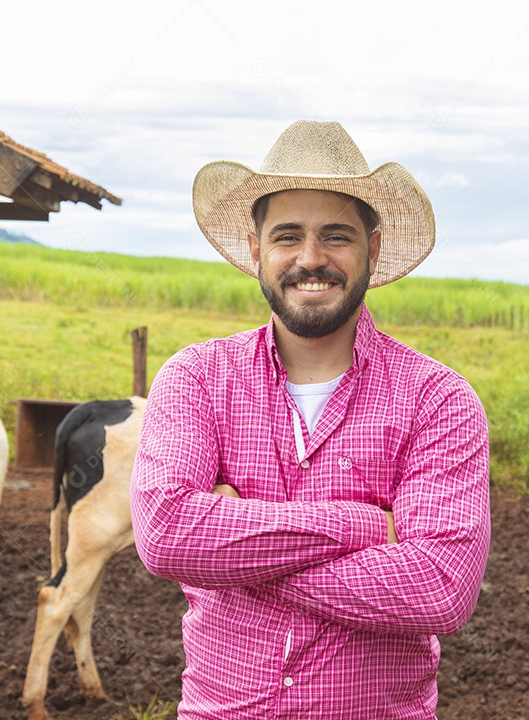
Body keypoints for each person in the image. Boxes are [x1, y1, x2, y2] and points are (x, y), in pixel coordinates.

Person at [130, 120, 490, 720]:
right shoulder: (196, 378)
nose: (311, 259)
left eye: (336, 236)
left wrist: (236, 555)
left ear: (373, 248)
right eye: (287, 236)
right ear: (256, 250)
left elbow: (439, 588)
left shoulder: (438, 399)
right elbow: (167, 534)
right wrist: (364, 528)